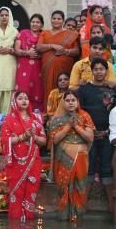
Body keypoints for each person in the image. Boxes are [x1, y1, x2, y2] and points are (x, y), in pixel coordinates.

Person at [48, 90, 94, 221]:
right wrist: (68, 125)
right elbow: (55, 140)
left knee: (80, 186)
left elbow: (90, 137)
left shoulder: (85, 116)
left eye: (73, 100)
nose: (70, 103)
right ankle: (64, 217)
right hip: (62, 157)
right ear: (63, 102)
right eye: (67, 100)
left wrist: (76, 127)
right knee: (64, 186)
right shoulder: (57, 119)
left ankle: (77, 217)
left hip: (80, 156)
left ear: (78, 102)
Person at [77, 57, 116, 212]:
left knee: (107, 168)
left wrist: (108, 132)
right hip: (89, 136)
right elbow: (80, 112)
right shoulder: (84, 89)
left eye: (102, 69)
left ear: (106, 71)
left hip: (108, 136)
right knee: (89, 168)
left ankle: (112, 208)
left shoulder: (113, 90)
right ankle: (82, 209)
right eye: (96, 69)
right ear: (91, 71)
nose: (99, 72)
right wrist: (90, 131)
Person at [1, 91, 46, 220]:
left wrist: (34, 137)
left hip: (33, 162)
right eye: (20, 98)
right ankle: (15, 223)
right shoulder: (9, 120)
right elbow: (4, 140)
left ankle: (29, 222)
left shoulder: (35, 119)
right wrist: (23, 137)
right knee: (16, 194)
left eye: (26, 98)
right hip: (15, 162)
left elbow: (44, 141)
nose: (24, 100)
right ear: (14, 102)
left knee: (30, 194)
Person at [36, 10, 79, 108]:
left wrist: (65, 51)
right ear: (50, 20)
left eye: (59, 19)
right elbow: (38, 47)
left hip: (65, 66)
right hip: (48, 66)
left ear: (63, 21)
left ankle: (66, 110)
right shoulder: (45, 33)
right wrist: (52, 46)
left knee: (64, 87)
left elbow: (76, 51)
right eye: (54, 18)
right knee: (49, 88)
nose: (56, 21)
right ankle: (49, 111)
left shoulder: (70, 34)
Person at [14, 14, 44, 111]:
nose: (35, 24)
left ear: (42, 25)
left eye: (37, 22)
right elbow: (16, 50)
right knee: (23, 88)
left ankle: (35, 114)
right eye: (33, 22)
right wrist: (27, 53)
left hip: (38, 67)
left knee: (37, 89)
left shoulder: (44, 35)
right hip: (23, 66)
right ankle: (19, 114)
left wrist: (38, 55)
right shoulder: (23, 33)